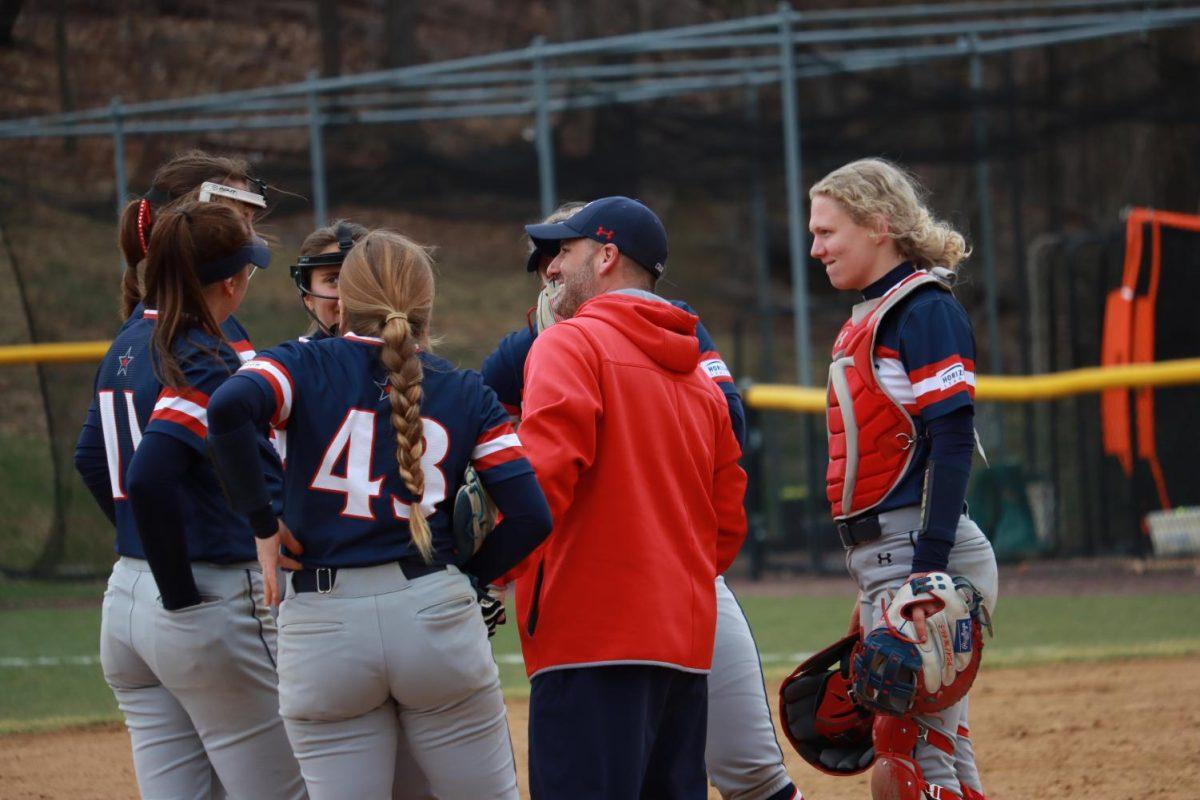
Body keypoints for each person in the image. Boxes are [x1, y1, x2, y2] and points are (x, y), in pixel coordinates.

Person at [205, 229, 553, 799]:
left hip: (323, 622)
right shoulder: (465, 390)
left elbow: (225, 411)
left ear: (342, 301)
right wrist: (470, 577)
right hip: (433, 613)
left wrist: (263, 524)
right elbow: (532, 517)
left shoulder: (298, 363)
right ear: (426, 306)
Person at [482, 202, 798, 800]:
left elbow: (541, 482)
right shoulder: (699, 377)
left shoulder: (567, 345)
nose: (550, 270)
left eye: (564, 253)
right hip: (683, 643)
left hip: (588, 640)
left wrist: (488, 569)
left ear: (605, 258)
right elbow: (727, 521)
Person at [73, 200, 305, 800]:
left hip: (126, 596)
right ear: (231, 281)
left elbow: (93, 461)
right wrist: (178, 592)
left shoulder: (130, 340)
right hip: (201, 595)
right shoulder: (199, 355)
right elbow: (149, 478)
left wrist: (144, 553)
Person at [808, 158, 999, 800]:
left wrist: (926, 571)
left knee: (907, 757)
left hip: (924, 558)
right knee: (937, 751)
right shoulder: (869, 318)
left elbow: (950, 441)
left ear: (878, 225)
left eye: (829, 231)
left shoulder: (923, 310)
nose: (816, 248)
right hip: (888, 561)